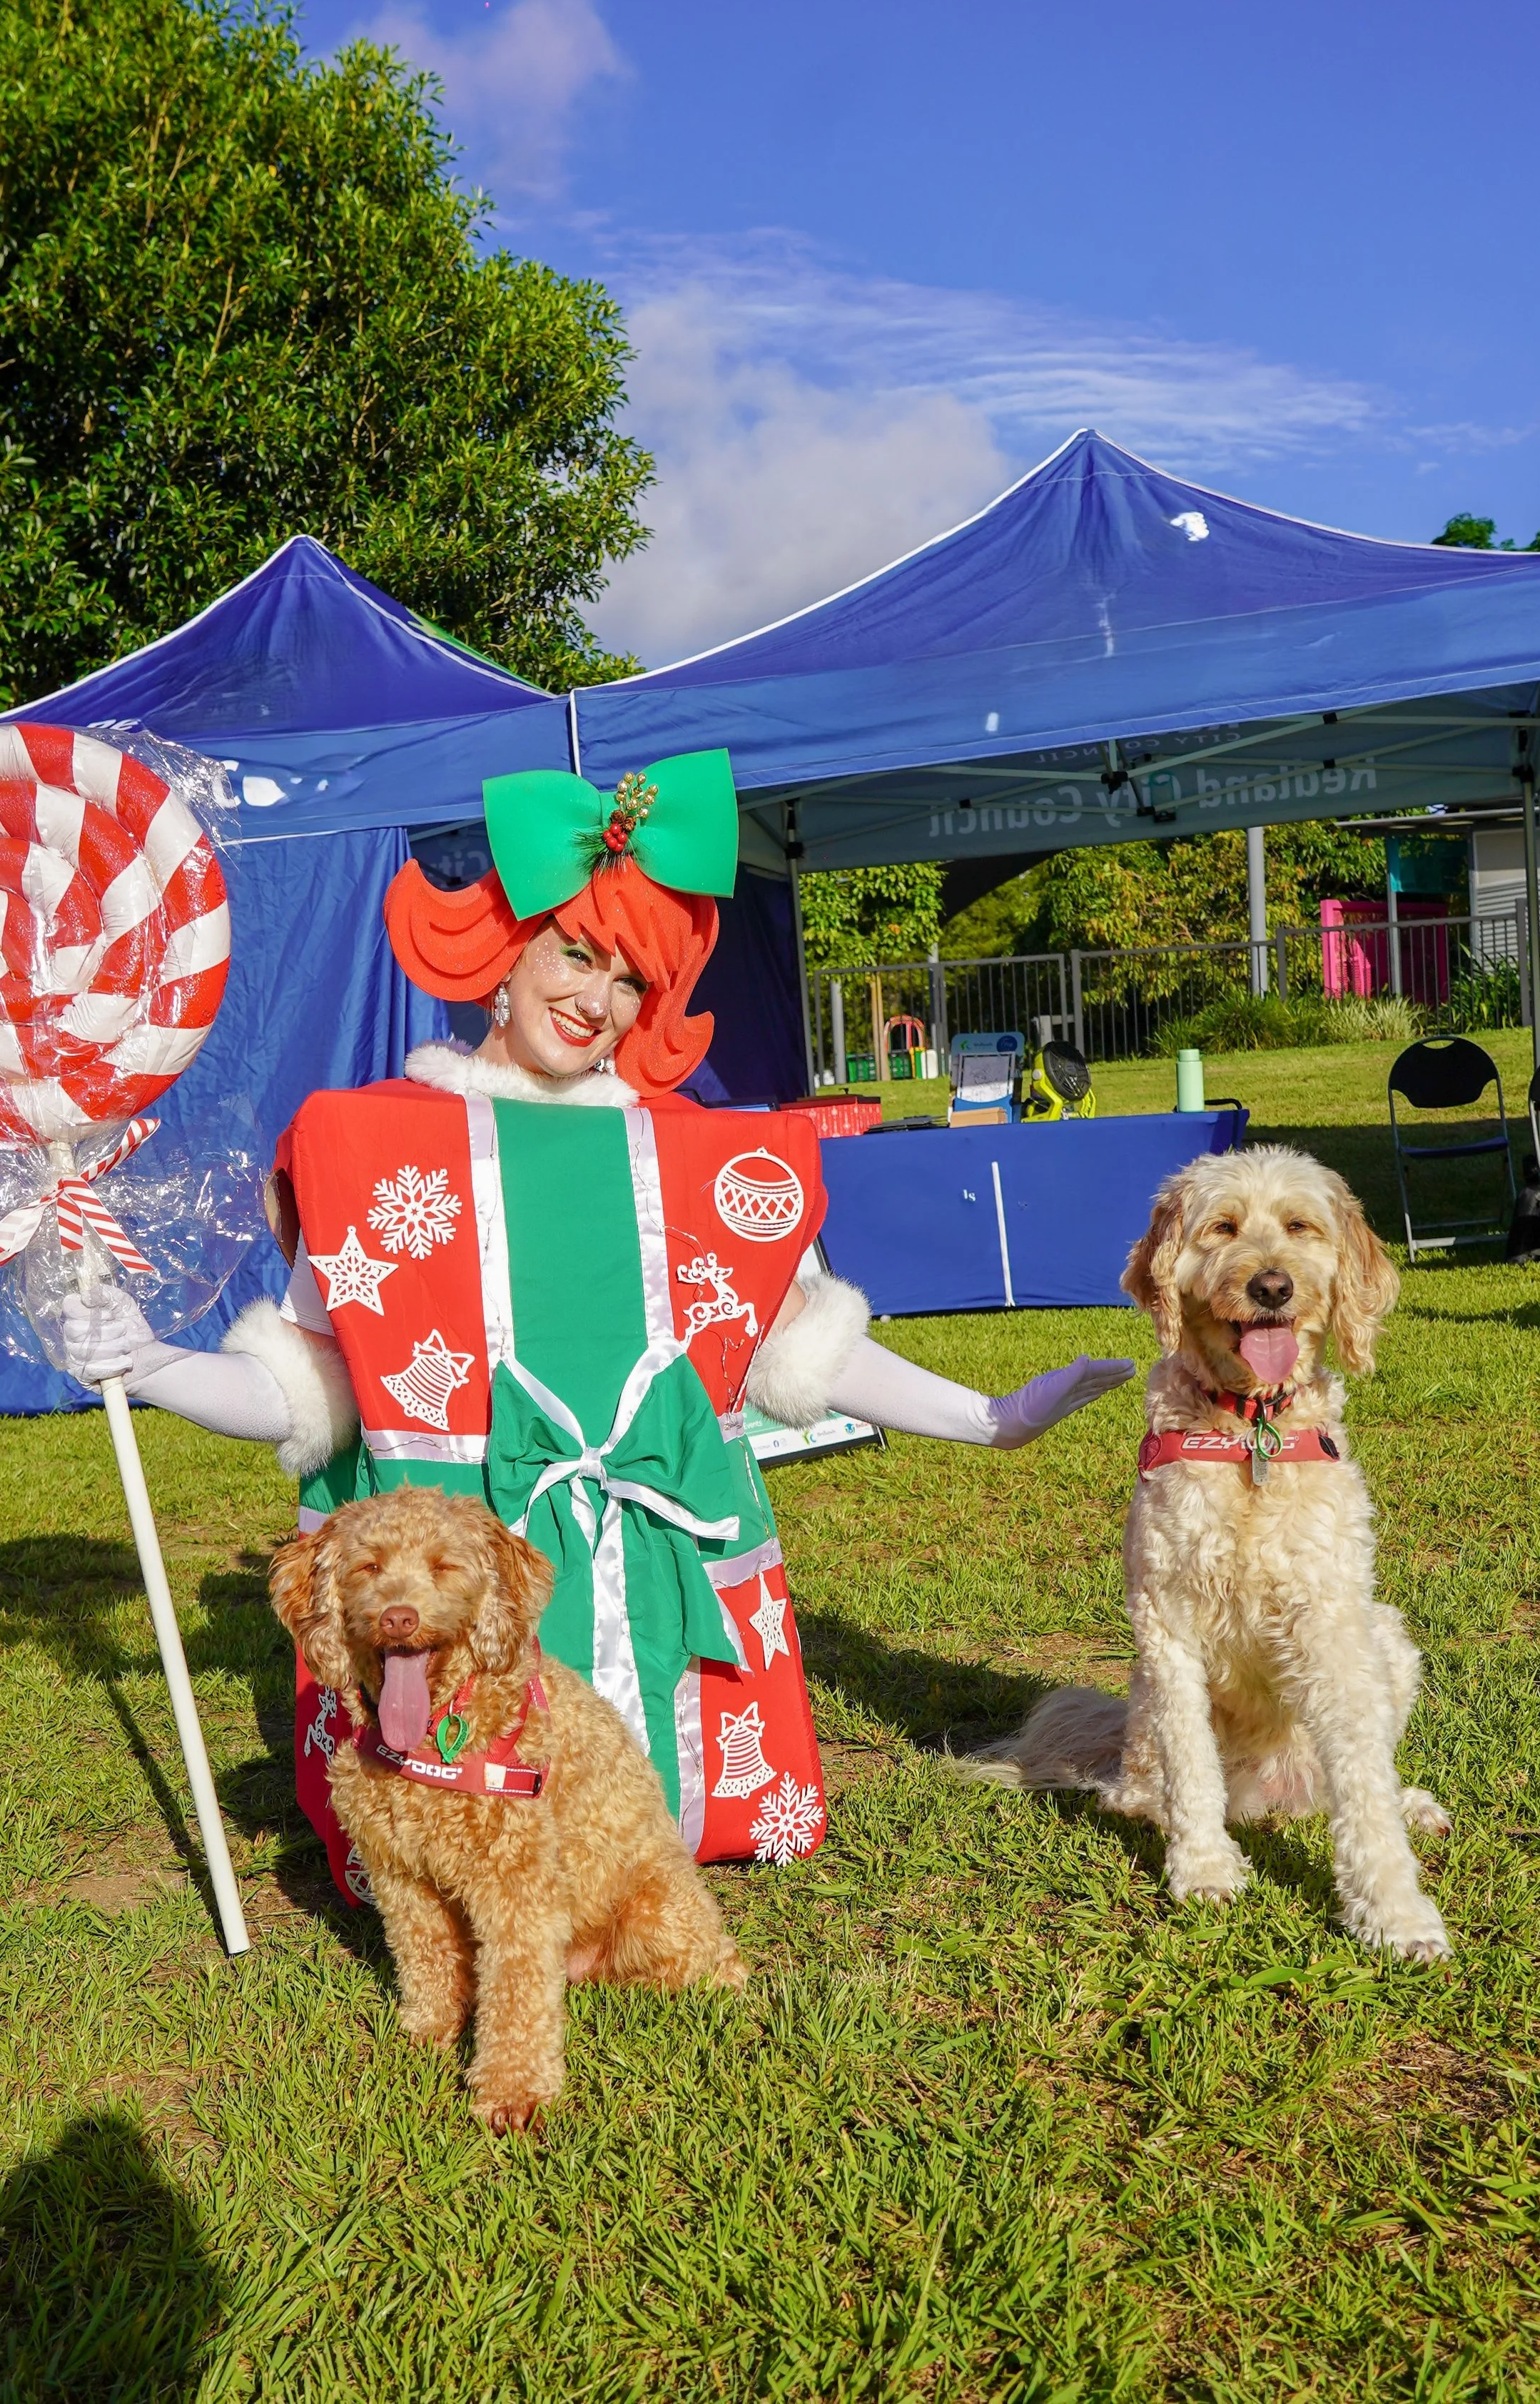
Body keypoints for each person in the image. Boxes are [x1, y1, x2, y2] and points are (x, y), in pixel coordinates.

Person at [64, 749, 1133, 1873]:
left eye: (630, 980)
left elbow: (788, 1346)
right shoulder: (373, 1147)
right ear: (506, 954)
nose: (596, 1001)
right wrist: (155, 1361)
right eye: (576, 954)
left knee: (646, 1837)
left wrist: (989, 1419)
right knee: (467, 1861)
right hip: (470, 1580)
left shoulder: (686, 1158)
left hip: (651, 1582)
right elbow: (307, 1390)